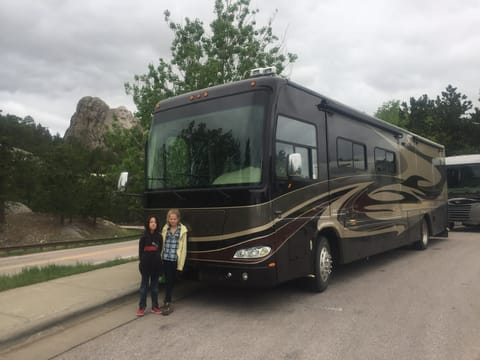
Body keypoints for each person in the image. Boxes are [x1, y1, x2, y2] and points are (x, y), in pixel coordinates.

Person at [160, 208, 188, 315]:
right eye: (170, 219)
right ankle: (167, 301)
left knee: (171, 281)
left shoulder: (183, 230)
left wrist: (180, 265)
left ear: (178, 219)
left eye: (174, 219)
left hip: (174, 259)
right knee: (167, 280)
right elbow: (162, 243)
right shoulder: (165, 229)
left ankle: (168, 301)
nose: (172, 221)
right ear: (168, 219)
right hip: (165, 258)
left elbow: (183, 249)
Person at [137, 215, 163, 316]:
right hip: (145, 265)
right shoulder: (143, 237)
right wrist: (142, 263)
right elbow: (140, 253)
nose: (153, 224)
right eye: (151, 222)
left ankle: (155, 306)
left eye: (155, 222)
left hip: (156, 265)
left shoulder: (159, 237)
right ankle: (142, 307)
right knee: (144, 287)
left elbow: (159, 250)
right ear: (148, 224)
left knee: (155, 287)